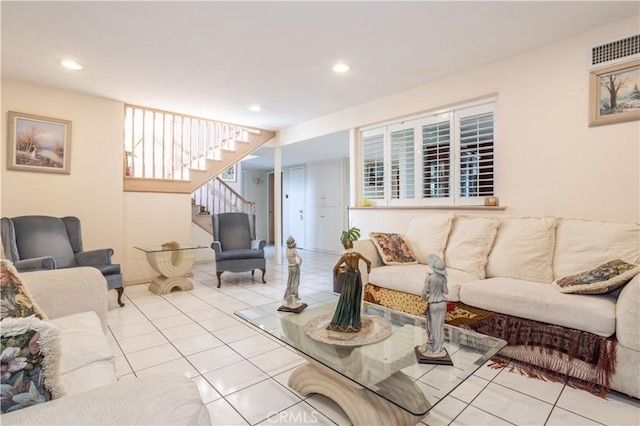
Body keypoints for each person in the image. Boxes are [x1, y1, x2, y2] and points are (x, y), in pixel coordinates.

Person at [326, 239, 371, 333]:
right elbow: (368, 262)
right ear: (352, 245)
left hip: (349, 278)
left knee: (347, 298)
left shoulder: (345, 257)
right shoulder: (357, 255)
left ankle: (345, 321)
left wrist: (336, 277)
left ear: (344, 247)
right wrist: (368, 271)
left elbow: (335, 268)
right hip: (357, 277)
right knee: (355, 298)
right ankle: (354, 322)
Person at [418, 254, 449, 357]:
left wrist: (424, 297)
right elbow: (446, 291)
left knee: (433, 326)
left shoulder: (429, 278)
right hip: (442, 303)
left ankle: (434, 348)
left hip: (434, 304)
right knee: (440, 326)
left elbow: (423, 292)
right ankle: (439, 348)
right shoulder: (443, 278)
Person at [282, 236, 303, 308]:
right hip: (294, 266)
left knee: (290, 282)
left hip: (289, 266)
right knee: (295, 282)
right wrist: (299, 265)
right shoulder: (293, 249)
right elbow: (300, 258)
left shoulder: (287, 249)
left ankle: (288, 299)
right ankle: (294, 298)